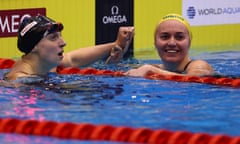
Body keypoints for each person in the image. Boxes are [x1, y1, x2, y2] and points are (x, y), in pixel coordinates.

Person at [4, 15, 134, 81]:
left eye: (60, 36)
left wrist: (116, 44)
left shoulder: (45, 62)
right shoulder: (20, 80)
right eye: (53, 38)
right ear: (34, 47)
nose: (63, 43)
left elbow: (72, 59)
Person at [125, 13, 213, 77]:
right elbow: (122, 68)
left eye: (179, 37)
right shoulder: (156, 67)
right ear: (155, 43)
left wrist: (152, 70)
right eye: (164, 37)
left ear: (189, 43)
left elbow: (194, 79)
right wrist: (120, 51)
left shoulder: (199, 65)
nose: (171, 43)